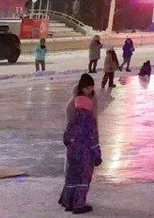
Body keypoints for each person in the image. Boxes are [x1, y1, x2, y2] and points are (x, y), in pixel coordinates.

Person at [60, 74, 102, 214]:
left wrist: (70, 143)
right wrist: (97, 156)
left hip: (73, 149)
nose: (90, 90)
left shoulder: (75, 119)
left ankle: (68, 202)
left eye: (91, 87)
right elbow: (92, 138)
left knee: (72, 176)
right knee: (83, 178)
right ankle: (78, 204)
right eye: (87, 88)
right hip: (85, 152)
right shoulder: (80, 112)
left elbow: (67, 135)